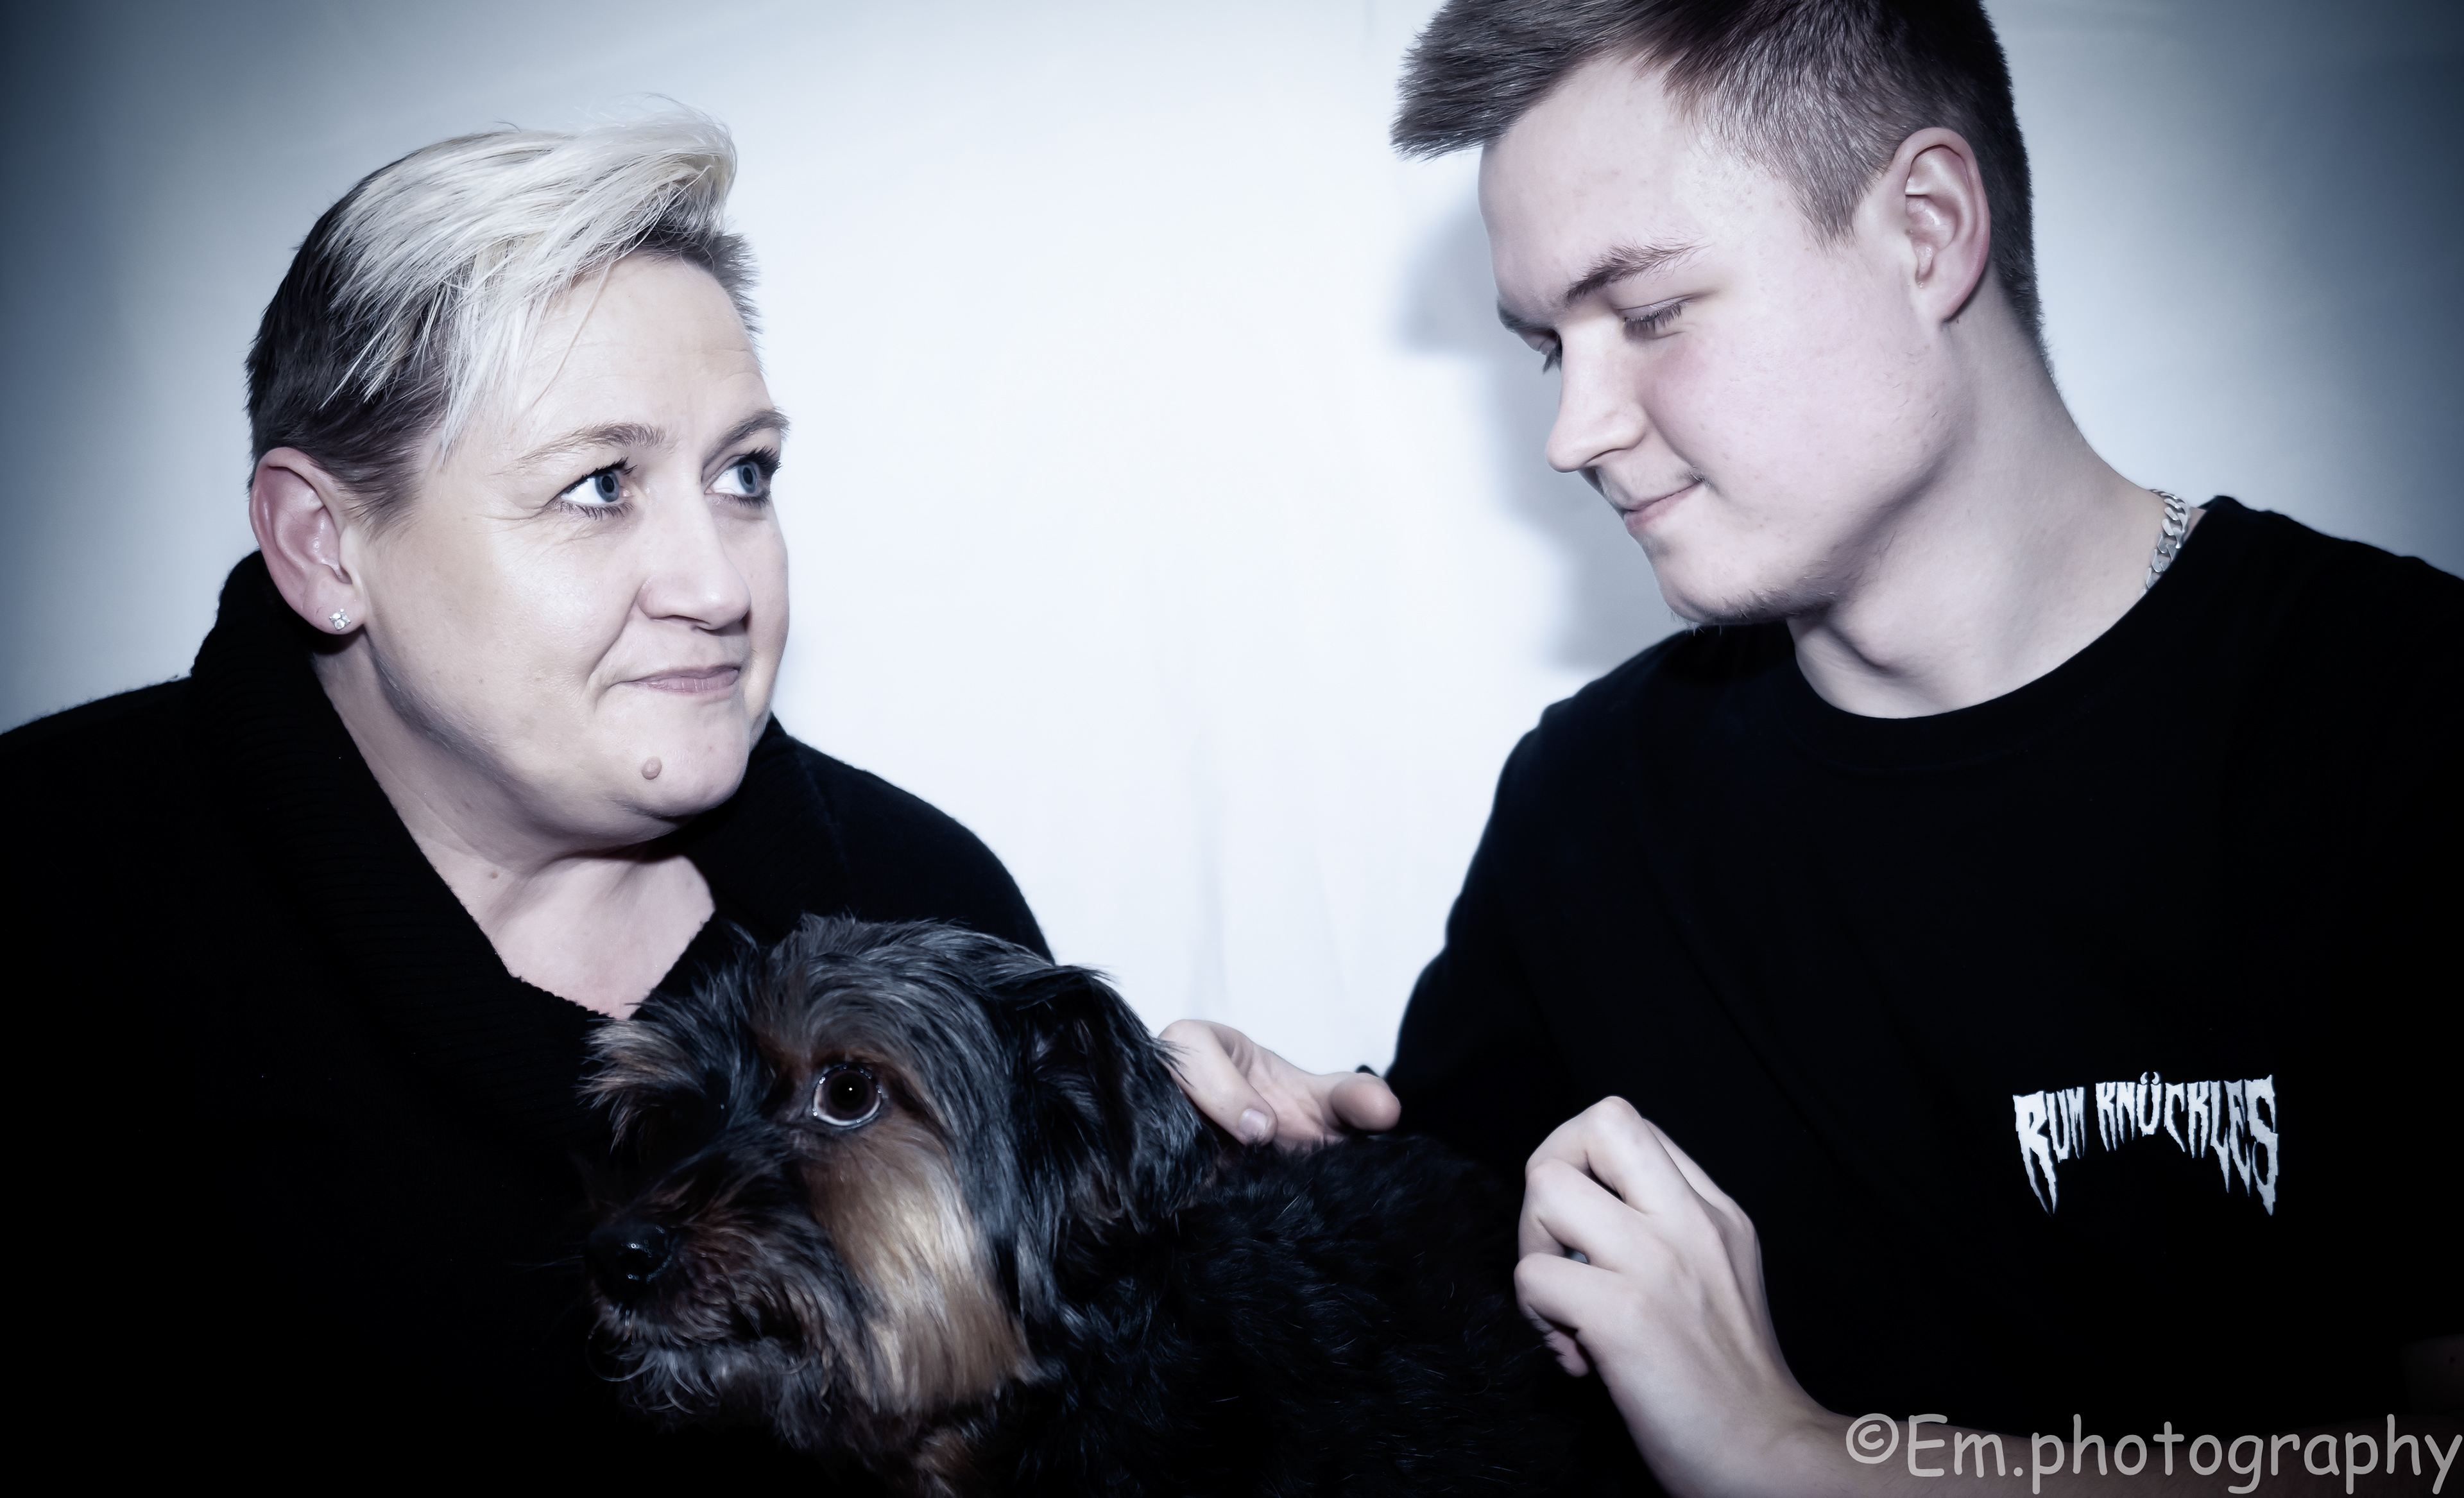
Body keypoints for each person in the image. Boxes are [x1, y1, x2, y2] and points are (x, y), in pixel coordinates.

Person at [1165, 2, 2461, 1492]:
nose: (1576, 431)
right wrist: (1261, 1166)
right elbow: (1447, 1312)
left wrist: (1805, 1462)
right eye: (1549, 350)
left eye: (1650, 312)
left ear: (1927, 230)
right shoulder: (1587, 802)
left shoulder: (2405, 726)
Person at [8, 114, 1034, 1477]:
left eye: (744, 476)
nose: (718, 583)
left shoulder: (926, 907)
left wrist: (1200, 1201)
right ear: (324, 546)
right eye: (600, 486)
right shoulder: (48, 893)